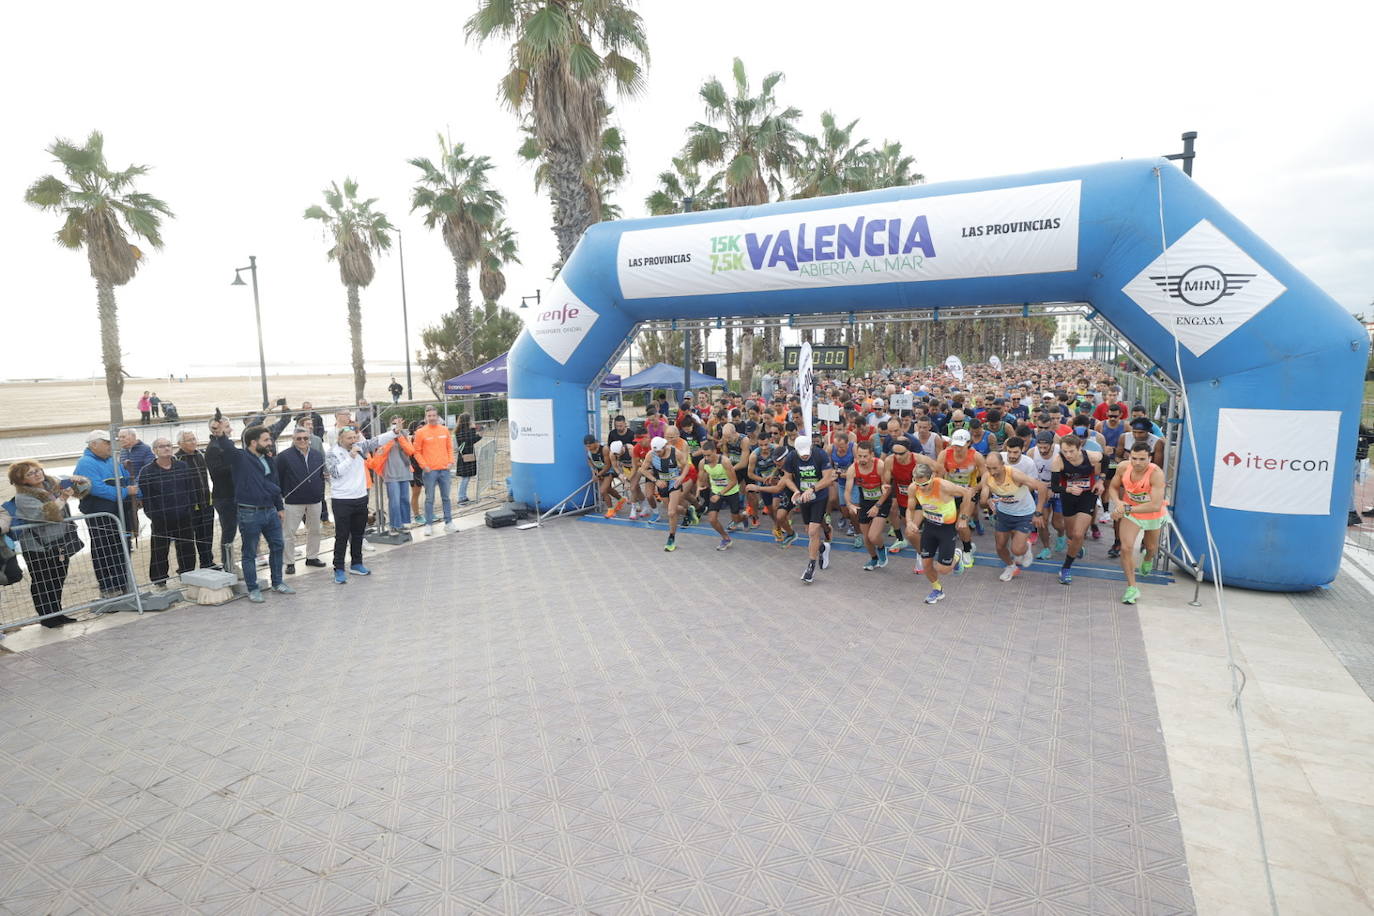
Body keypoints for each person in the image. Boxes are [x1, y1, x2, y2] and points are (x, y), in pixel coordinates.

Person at [206, 421, 296, 603]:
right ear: (253, 442)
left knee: (278, 546)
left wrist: (279, 507)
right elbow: (226, 447)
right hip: (249, 512)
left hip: (270, 511)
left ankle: (278, 582)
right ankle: (253, 588)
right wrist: (220, 433)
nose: (269, 442)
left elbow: (275, 484)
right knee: (249, 553)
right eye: (265, 439)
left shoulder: (269, 458)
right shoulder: (240, 457)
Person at [8, 462, 89, 627]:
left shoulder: (52, 484)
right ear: (21, 480)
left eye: (37, 470)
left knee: (59, 577)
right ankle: (47, 618)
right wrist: (63, 497)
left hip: (59, 542)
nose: (37, 474)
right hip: (37, 546)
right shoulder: (23, 497)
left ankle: (58, 613)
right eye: (30, 474)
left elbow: (82, 491)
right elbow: (46, 514)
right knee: (43, 581)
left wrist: (80, 481)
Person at [325, 424, 399, 582]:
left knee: (359, 533)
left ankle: (356, 564)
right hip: (342, 500)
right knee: (342, 535)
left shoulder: (360, 446)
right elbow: (336, 473)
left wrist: (393, 432)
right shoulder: (332, 452)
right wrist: (351, 457)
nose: (353, 441)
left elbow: (376, 441)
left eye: (354, 437)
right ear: (340, 439)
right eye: (349, 438)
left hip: (360, 497)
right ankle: (338, 568)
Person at [74, 430, 136, 598]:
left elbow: (125, 480)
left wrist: (133, 494)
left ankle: (124, 582)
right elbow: (95, 488)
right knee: (104, 549)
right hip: (101, 514)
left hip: (119, 511)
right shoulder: (86, 463)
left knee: (122, 546)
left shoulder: (111, 460)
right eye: (106, 442)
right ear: (94, 444)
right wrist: (125, 492)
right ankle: (109, 587)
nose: (110, 445)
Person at [1106, 442, 1168, 605]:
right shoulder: (1123, 467)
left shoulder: (1156, 474)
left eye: (1142, 459)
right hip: (1131, 512)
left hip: (1151, 513)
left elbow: (1154, 505)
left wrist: (1124, 508)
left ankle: (1148, 558)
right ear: (1129, 456)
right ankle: (1132, 587)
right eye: (1134, 458)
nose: (1137, 462)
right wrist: (1118, 502)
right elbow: (1112, 488)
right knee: (1126, 548)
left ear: (1150, 458)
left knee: (1151, 547)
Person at [905, 462, 974, 604]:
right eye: (918, 484)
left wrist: (963, 517)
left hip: (946, 529)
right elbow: (910, 508)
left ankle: (958, 555)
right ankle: (937, 590)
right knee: (926, 564)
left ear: (933, 477)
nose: (921, 488)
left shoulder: (944, 486)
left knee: (944, 570)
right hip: (930, 527)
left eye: (925, 484)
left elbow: (967, 493)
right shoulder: (914, 488)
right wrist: (909, 522)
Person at [137, 438, 198, 588]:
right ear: (155, 451)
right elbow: (147, 497)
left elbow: (191, 489)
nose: (166, 449)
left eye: (169, 446)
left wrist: (190, 508)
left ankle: (187, 574)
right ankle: (159, 581)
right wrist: (153, 514)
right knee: (159, 550)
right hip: (160, 518)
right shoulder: (147, 471)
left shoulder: (182, 466)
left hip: (183, 515)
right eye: (162, 446)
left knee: (187, 547)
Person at [980, 451, 1048, 582]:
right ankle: (1011, 567)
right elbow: (984, 497)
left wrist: (1038, 513)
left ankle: (1026, 547)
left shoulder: (1015, 474)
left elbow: (1042, 487)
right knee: (999, 547)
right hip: (1004, 514)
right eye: (989, 468)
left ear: (1002, 464)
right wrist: (987, 501)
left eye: (995, 468)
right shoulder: (986, 476)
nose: (992, 472)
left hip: (1024, 514)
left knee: (1017, 550)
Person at [780, 435, 835, 584]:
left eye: (807, 452)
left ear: (811, 447)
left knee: (812, 531)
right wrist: (796, 491)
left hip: (819, 496)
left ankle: (810, 567)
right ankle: (823, 547)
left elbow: (828, 478)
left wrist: (813, 488)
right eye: (801, 453)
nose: (804, 455)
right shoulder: (791, 457)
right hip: (804, 497)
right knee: (809, 531)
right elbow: (787, 478)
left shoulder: (820, 454)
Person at [1050, 434, 1102, 585]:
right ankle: (1076, 547)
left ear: (1080, 448)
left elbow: (1105, 460)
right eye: (1065, 451)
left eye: (1071, 451)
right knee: (1071, 535)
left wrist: (1101, 481)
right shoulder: (1058, 461)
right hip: (1069, 498)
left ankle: (1065, 568)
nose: (1068, 455)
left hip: (1087, 497)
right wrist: (1068, 488)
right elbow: (1054, 487)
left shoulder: (1091, 456)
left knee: (1079, 534)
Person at [275, 427, 327, 575]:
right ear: (293, 439)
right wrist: (280, 498)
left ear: (309, 438)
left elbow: (320, 476)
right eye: (299, 438)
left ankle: (312, 557)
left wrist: (320, 493)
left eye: (305, 438)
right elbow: (277, 478)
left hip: (315, 499)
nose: (303, 441)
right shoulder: (284, 456)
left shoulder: (317, 455)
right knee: (289, 532)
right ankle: (289, 562)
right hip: (292, 501)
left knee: (315, 530)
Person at [846, 439, 892, 570]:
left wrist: (877, 506)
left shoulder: (880, 465)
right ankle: (873, 559)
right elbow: (848, 490)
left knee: (873, 536)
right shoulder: (853, 468)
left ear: (872, 455)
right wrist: (849, 503)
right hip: (865, 502)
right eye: (859, 456)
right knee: (866, 537)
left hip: (882, 501)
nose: (862, 459)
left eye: (865, 456)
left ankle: (882, 549)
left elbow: (887, 488)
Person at [639, 434, 690, 551]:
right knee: (672, 509)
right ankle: (687, 511)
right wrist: (655, 481)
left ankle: (671, 538)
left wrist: (681, 477)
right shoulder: (651, 455)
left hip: (674, 483)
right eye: (655, 452)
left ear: (665, 446)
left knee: (671, 513)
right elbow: (642, 469)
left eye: (659, 452)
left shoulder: (675, 452)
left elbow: (686, 465)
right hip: (662, 484)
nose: (657, 454)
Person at [175, 431, 217, 570]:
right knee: (186, 541)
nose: (193, 442)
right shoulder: (177, 459)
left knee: (206, 535)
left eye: (194, 439)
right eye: (188, 440)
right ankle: (186, 569)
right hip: (188, 506)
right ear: (180, 443)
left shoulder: (200, 455)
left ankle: (207, 562)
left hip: (205, 502)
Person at [413, 406, 455, 535]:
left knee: (446, 498)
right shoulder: (420, 433)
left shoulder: (444, 430)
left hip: (444, 470)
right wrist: (424, 466)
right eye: (429, 416)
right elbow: (416, 451)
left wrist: (450, 462)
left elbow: (449, 447)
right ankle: (429, 524)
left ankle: (448, 523)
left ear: (437, 416)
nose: (431, 418)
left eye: (433, 415)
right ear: (425, 418)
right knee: (429, 498)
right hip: (429, 471)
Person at [374, 416, 417, 533]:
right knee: (394, 500)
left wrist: (400, 436)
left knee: (404, 499)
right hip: (390, 473)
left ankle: (404, 523)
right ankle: (394, 524)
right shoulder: (386, 437)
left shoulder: (405, 436)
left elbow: (410, 451)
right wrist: (393, 435)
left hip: (404, 472)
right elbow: (381, 451)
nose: (396, 425)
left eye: (399, 423)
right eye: (394, 423)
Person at [699, 439, 745, 550]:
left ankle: (745, 516)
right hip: (715, 491)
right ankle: (726, 538)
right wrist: (699, 487)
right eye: (704, 455)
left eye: (709, 455)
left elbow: (734, 481)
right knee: (712, 519)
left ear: (715, 451)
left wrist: (720, 494)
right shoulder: (702, 463)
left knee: (736, 519)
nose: (707, 458)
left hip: (731, 491)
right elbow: (700, 478)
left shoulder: (724, 461)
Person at [454, 413, 482, 504]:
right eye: (470, 420)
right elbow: (472, 439)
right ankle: (461, 497)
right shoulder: (464, 432)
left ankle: (463, 496)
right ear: (467, 421)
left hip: (466, 456)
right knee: (465, 478)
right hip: (465, 457)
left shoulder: (461, 431)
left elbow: (471, 440)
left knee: (466, 477)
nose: (472, 421)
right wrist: (475, 429)